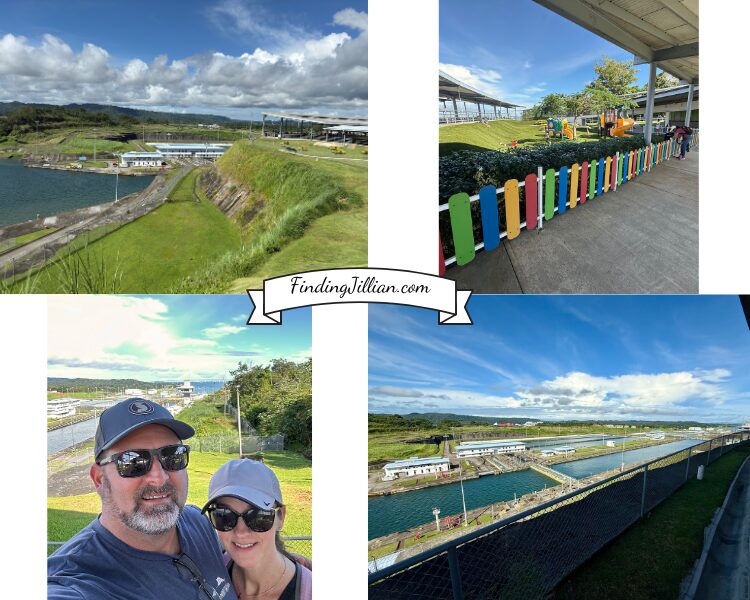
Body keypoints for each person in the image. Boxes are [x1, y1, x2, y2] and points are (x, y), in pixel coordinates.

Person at [48, 398, 239, 599]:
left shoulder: (197, 521)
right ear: (99, 479)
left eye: (173, 455)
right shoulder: (76, 581)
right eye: (133, 462)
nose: (159, 478)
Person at [202, 460, 312, 600]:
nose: (241, 532)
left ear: (281, 517)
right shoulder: (210, 574)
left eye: (258, 516)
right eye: (224, 515)